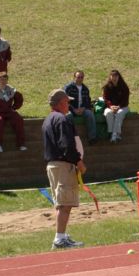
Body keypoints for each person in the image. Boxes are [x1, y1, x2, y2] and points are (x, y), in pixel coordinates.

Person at [43, 89, 87, 249]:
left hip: (52, 165)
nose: (69, 104)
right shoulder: (62, 119)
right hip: (62, 165)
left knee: (62, 203)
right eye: (67, 101)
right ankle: (59, 238)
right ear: (61, 102)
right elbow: (66, 144)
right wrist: (78, 162)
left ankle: (61, 235)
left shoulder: (48, 119)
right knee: (65, 204)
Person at [64, 70, 97, 144]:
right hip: (71, 109)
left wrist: (84, 108)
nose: (80, 79)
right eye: (78, 77)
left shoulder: (85, 89)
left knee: (90, 114)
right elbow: (65, 101)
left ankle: (92, 138)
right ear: (74, 77)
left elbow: (88, 101)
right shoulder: (68, 87)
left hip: (82, 109)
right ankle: (69, 139)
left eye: (82, 77)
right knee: (68, 116)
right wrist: (73, 109)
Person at [102, 69, 131, 143]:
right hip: (110, 107)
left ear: (119, 77)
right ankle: (114, 134)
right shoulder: (106, 87)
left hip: (123, 107)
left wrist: (119, 107)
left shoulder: (124, 87)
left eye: (116, 76)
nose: (114, 78)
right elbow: (105, 99)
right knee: (109, 113)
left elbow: (125, 101)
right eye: (112, 76)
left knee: (119, 113)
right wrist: (111, 106)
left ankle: (114, 135)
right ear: (110, 77)